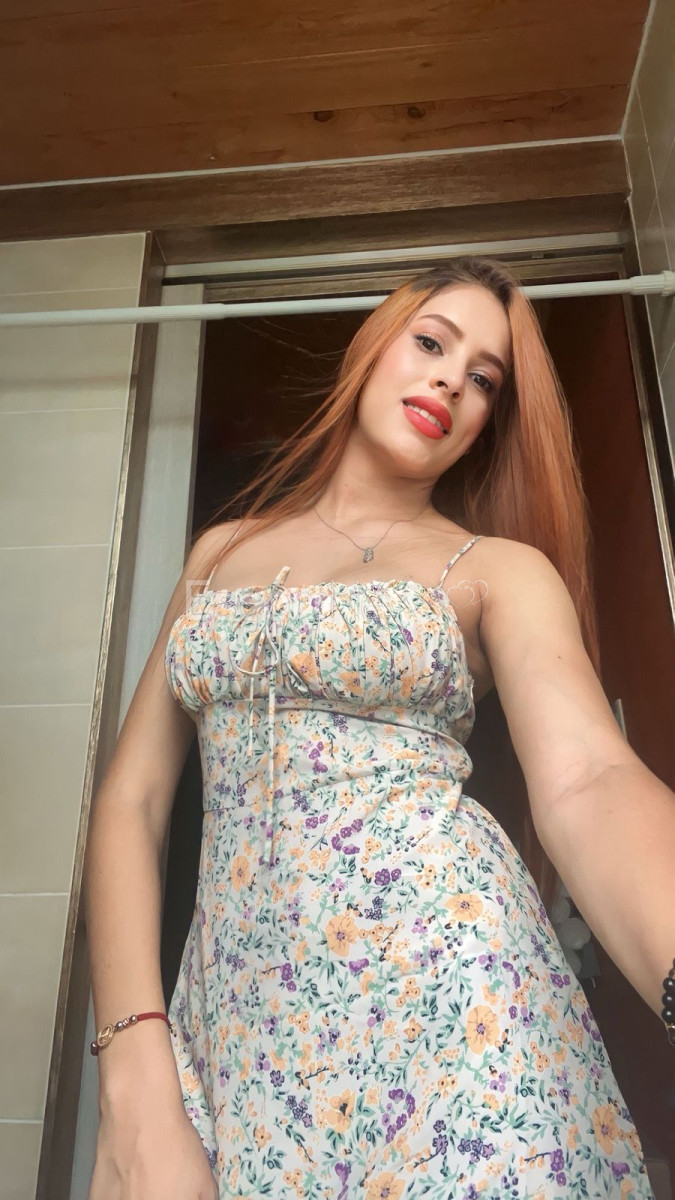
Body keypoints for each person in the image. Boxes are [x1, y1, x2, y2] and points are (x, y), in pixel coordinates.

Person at [84, 256, 674, 1200]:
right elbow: (132, 802)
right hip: (241, 1020)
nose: (450, 380)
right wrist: (132, 1069)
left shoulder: (496, 569)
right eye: (431, 342)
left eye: (483, 379)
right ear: (371, 346)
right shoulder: (218, 554)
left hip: (451, 999)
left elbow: (587, 780)